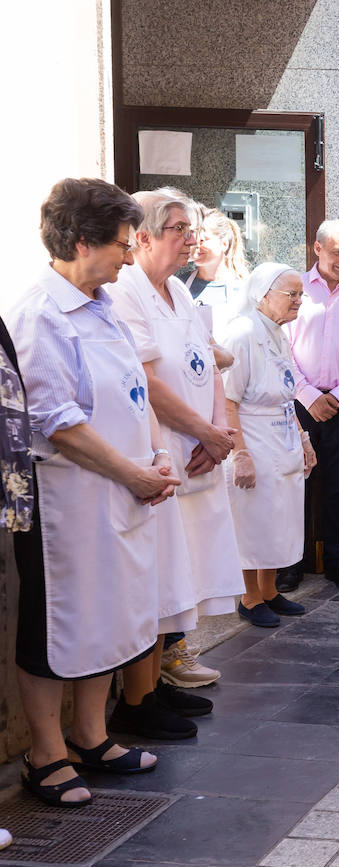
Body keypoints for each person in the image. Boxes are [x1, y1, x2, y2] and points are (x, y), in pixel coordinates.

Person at [6, 178, 166, 804]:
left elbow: (135, 390)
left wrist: (152, 457)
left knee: (112, 615)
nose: (130, 257)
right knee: (60, 623)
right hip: (70, 501)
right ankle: (45, 754)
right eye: (123, 246)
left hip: (123, 492)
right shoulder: (40, 314)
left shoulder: (102, 305)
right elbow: (55, 420)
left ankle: (91, 734)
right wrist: (130, 472)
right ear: (80, 242)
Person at [108, 188, 243, 741]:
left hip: (197, 452)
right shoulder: (127, 292)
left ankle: (157, 681)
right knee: (158, 579)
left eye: (192, 230)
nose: (192, 239)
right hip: (162, 452)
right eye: (180, 230)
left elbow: (206, 361)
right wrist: (201, 431)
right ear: (142, 237)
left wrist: (216, 433)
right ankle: (135, 700)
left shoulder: (180, 293)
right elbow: (146, 379)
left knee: (181, 577)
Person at [277, 220, 339, 593]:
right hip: (298, 405)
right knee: (296, 484)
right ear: (317, 249)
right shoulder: (293, 290)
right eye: (338, 251)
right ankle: (291, 564)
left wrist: (337, 396)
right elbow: (281, 348)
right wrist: (309, 396)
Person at [221, 264, 318, 626]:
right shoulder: (243, 333)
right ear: (263, 295)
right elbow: (227, 400)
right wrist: (240, 454)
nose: (298, 301)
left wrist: (304, 439)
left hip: (282, 437)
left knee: (279, 518)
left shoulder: (277, 333)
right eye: (290, 294)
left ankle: (269, 589)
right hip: (254, 437)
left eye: (300, 294)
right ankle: (249, 597)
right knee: (254, 518)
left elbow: (285, 396)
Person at [185, 208, 250, 338]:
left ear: (224, 243)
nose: (196, 245)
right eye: (193, 238)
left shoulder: (244, 289)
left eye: (203, 240)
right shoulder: (180, 284)